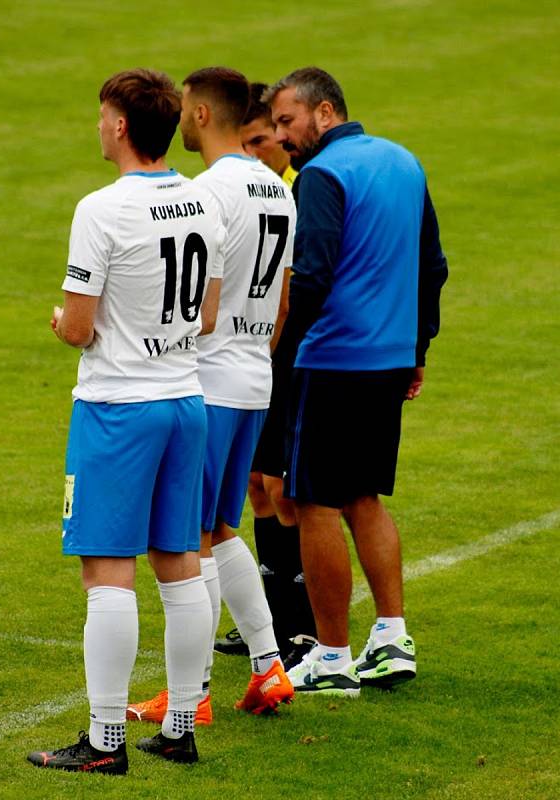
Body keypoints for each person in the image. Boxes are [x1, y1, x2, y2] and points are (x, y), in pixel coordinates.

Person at [26, 68, 226, 773]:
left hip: (119, 408)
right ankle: (179, 727)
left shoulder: (101, 209)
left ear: (118, 126)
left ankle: (106, 741)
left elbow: (79, 329)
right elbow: (205, 317)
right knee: (180, 565)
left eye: (102, 114)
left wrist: (62, 324)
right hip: (185, 402)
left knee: (107, 569)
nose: (98, 125)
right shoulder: (204, 202)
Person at [263, 67, 448, 694]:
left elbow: (311, 276)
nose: (282, 136)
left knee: (313, 502)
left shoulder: (321, 174)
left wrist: (281, 358)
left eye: (287, 121)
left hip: (333, 359)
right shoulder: (404, 161)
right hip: (388, 359)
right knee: (364, 497)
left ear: (325, 111)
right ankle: (392, 637)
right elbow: (433, 265)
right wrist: (417, 346)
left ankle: (334, 656)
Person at [127, 67, 296, 723]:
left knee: (184, 538)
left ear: (199, 114)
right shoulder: (278, 191)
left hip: (208, 382)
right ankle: (268, 666)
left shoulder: (204, 193)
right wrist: (254, 353)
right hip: (255, 378)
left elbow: (195, 303)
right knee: (221, 530)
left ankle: (190, 695)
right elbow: (282, 302)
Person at [215, 82, 317, 668]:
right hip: (259, 361)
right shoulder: (263, 191)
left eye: (266, 139)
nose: (261, 149)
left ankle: (299, 626)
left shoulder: (293, 193)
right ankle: (271, 619)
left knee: (280, 489)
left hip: (285, 359)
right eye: (250, 140)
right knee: (254, 485)